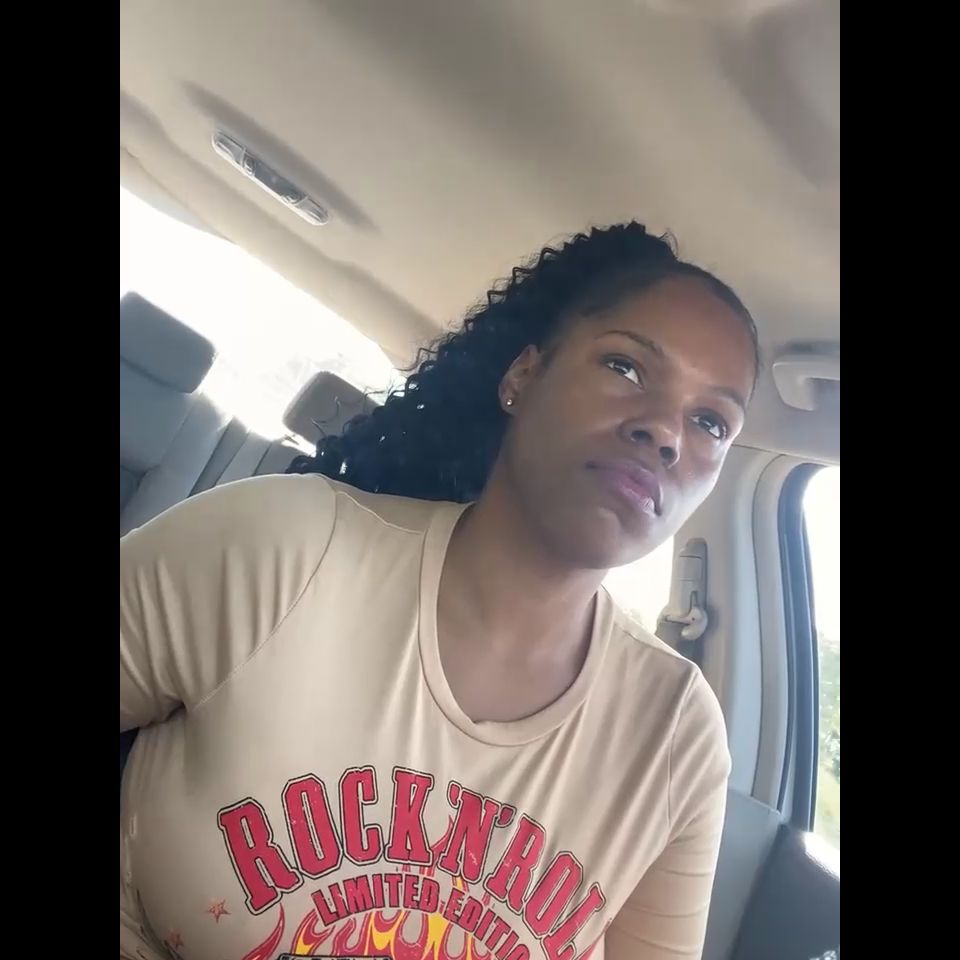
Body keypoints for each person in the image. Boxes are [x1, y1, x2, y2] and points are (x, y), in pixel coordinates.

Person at [120, 222, 759, 960]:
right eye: (626, 366)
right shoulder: (280, 547)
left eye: (710, 421)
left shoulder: (675, 736)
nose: (666, 432)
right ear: (522, 377)